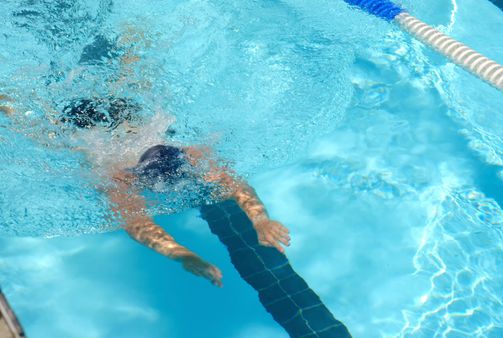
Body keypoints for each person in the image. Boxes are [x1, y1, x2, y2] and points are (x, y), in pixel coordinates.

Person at [0, 34, 351, 337]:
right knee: (54, 130)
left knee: (67, 120)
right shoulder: (120, 169)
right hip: (89, 114)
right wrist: (194, 248)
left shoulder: (152, 159)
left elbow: (144, 221)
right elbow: (143, 222)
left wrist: (255, 222)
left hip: (91, 112)